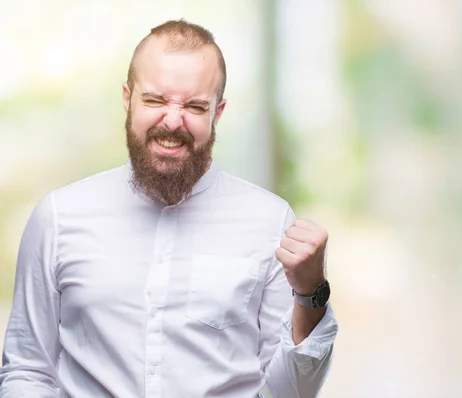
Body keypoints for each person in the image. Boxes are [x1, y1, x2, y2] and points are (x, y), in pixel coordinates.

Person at [0, 19, 337, 397]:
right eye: (155, 100)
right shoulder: (58, 218)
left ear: (218, 113)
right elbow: (27, 371)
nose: (172, 120)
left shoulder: (270, 222)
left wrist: (310, 292)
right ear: (128, 98)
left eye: (194, 106)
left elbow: (291, 393)